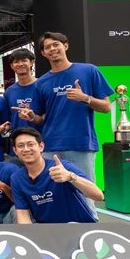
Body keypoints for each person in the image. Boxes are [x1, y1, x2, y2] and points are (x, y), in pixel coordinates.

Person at [26, 31, 113, 182]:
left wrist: (85, 98)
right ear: (43, 53)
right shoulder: (41, 83)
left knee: (84, 190)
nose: (52, 49)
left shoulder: (89, 71)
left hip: (81, 144)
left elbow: (106, 107)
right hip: (50, 146)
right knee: (54, 192)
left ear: (65, 46)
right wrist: (32, 116)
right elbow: (40, 118)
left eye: (56, 44)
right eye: (47, 47)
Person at [9, 127, 104, 224]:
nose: (26, 149)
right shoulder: (17, 178)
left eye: (30, 144)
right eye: (21, 146)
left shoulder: (63, 167)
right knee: (14, 210)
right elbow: (23, 214)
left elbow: (98, 196)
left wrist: (70, 177)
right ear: (15, 150)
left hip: (77, 225)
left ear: (41, 146)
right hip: (46, 229)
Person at [3, 49, 39, 165]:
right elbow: (8, 119)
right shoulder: (9, 91)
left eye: (24, 60)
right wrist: (4, 128)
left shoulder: (42, 86)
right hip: (17, 146)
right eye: (16, 62)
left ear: (31, 62)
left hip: (39, 144)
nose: (20, 64)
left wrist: (32, 116)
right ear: (12, 66)